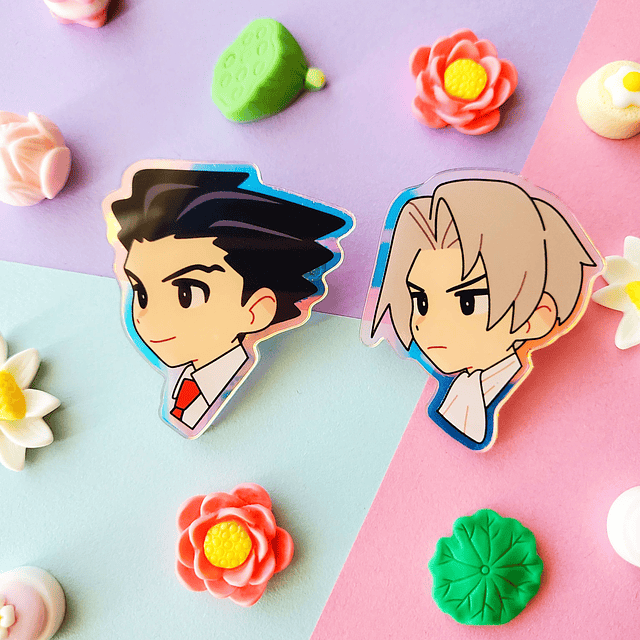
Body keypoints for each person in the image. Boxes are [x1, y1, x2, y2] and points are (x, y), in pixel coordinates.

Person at [106, 164, 353, 438]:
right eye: (141, 293)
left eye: (187, 294)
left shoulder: (218, 383)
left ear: (257, 310)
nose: (147, 316)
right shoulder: (183, 382)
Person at [366, 171, 600, 450]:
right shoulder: (463, 387)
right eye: (421, 301)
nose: (429, 324)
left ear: (536, 317)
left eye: (468, 303)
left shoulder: (479, 394)